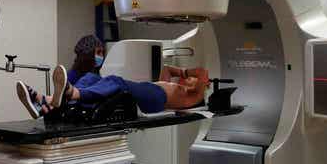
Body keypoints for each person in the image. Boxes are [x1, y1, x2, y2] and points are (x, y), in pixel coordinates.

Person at [17, 64, 209, 119]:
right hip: (150, 91)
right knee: (93, 78)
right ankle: (46, 104)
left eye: (193, 80)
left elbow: (203, 72)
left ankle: (71, 93)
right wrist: (183, 73)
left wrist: (191, 77)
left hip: (156, 100)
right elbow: (167, 68)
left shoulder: (192, 96)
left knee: (116, 82)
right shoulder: (173, 85)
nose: (187, 77)